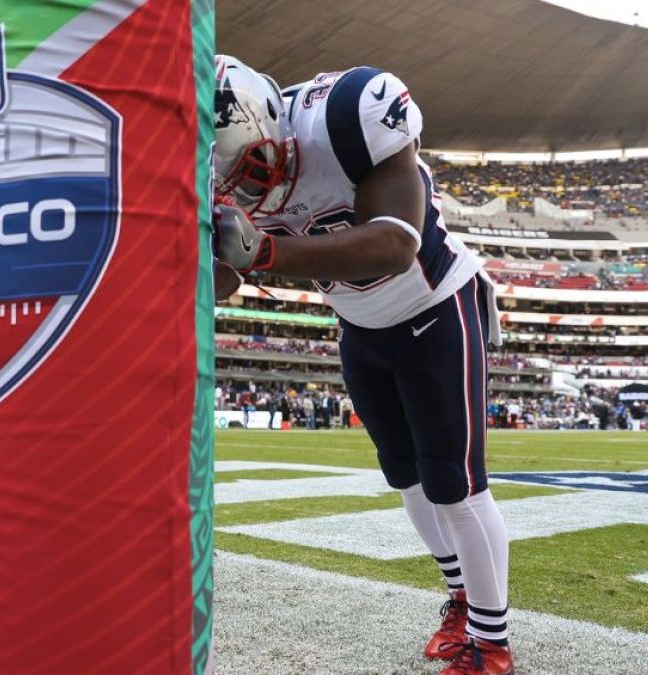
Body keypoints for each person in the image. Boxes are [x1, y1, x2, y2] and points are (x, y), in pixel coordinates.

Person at [211, 56, 512, 674]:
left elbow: (396, 243)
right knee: (404, 476)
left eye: (250, 174)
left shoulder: (347, 113)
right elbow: (220, 279)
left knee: (453, 483)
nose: (248, 196)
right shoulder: (225, 171)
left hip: (435, 306)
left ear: (267, 124)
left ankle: (491, 644)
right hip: (359, 324)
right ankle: (460, 598)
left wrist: (264, 248)